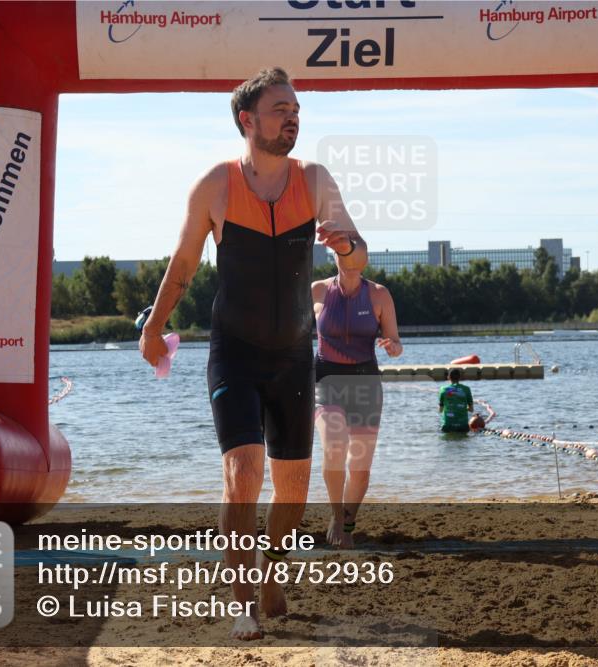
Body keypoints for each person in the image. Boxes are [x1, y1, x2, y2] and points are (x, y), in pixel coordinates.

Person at [139, 66, 367, 640]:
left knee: (292, 490)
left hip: (293, 354)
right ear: (247, 120)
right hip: (234, 352)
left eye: (296, 111)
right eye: (280, 109)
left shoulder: (314, 179)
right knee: (243, 473)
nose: (292, 118)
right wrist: (154, 327)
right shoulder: (215, 185)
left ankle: (273, 572)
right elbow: (184, 264)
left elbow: (356, 253)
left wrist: (346, 248)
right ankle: (242, 600)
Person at [312, 255, 402, 549]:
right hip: (328, 381)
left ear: (363, 260)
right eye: (343, 255)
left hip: (366, 383)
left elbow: (396, 342)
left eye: (356, 256)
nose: (351, 261)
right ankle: (337, 516)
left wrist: (392, 347)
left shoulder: (379, 294)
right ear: (335, 259)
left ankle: (348, 522)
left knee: (360, 469)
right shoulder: (317, 291)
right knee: (334, 447)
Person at [439, 367, 475, 433]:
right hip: (463, 426)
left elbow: (440, 410)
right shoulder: (466, 389)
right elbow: (471, 410)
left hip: (447, 426)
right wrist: (462, 407)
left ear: (448, 377)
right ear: (459, 377)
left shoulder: (443, 389)